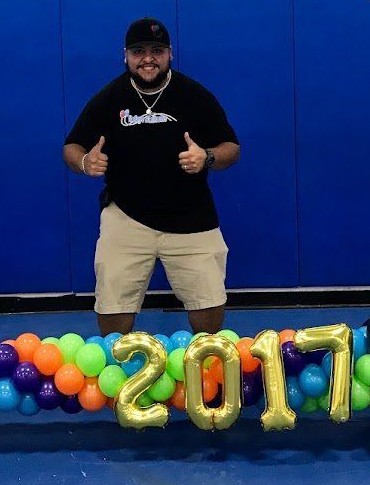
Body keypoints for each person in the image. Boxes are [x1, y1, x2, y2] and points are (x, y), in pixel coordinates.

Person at [64, 17, 240, 335]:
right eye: (139, 51)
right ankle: (119, 373)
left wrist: (208, 157)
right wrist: (84, 162)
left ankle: (206, 373)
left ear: (170, 54)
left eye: (156, 51)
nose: (148, 59)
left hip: (192, 217)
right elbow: (71, 146)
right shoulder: (109, 98)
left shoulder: (194, 95)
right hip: (126, 217)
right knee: (112, 306)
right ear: (126, 56)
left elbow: (232, 147)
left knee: (209, 305)